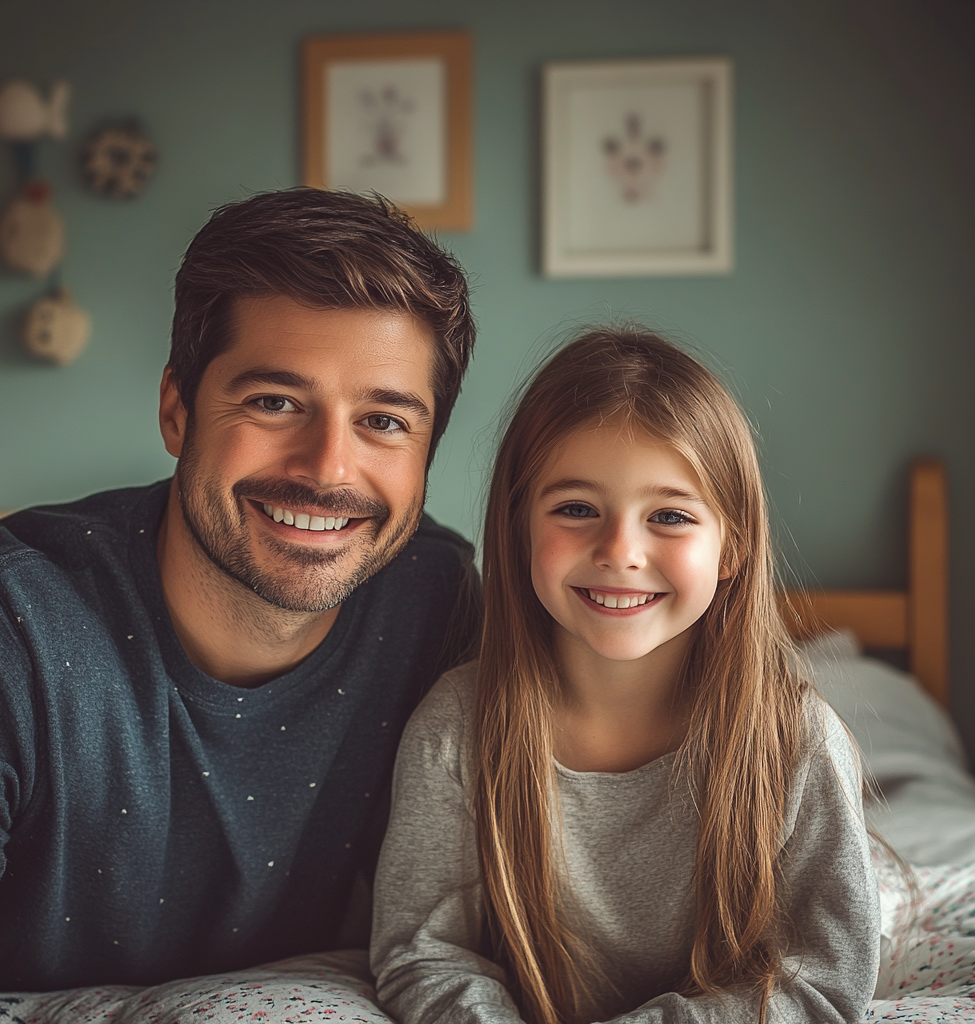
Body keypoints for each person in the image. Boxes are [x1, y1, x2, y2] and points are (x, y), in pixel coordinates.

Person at [0, 188, 480, 1024]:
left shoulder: (439, 603)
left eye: (383, 421)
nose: (329, 468)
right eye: (275, 402)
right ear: (176, 408)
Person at [371, 328, 881, 1024]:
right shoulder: (457, 728)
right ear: (520, 526)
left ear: (731, 547)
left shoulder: (795, 742)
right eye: (576, 509)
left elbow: (821, 981)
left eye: (669, 516)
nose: (619, 551)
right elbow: (424, 954)